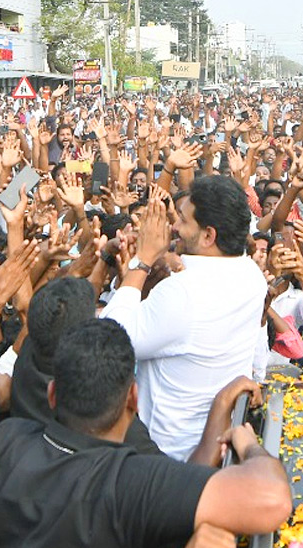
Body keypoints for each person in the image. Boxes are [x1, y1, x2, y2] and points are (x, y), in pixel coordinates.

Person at [0, 319, 293, 548]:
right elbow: (271, 499)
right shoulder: (133, 481)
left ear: (53, 394)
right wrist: (248, 446)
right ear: (133, 398)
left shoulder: (6, 443)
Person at [101, 178, 264, 460]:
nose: (174, 226)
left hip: (165, 457)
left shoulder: (181, 293)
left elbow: (113, 337)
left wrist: (142, 259)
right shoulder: (252, 276)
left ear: (208, 236)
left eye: (184, 221)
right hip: (214, 445)